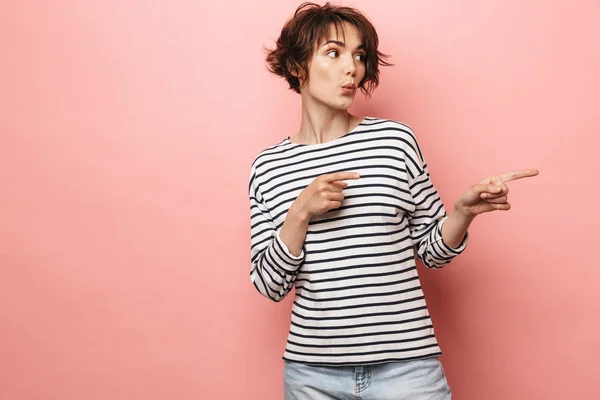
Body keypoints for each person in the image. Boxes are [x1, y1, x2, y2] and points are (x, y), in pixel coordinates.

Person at [247, 2, 539, 399]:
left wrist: (462, 212)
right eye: (334, 53)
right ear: (298, 66)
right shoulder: (268, 167)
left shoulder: (394, 142)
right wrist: (299, 213)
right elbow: (269, 284)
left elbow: (433, 252)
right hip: (312, 376)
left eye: (360, 55)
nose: (352, 67)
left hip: (408, 370)